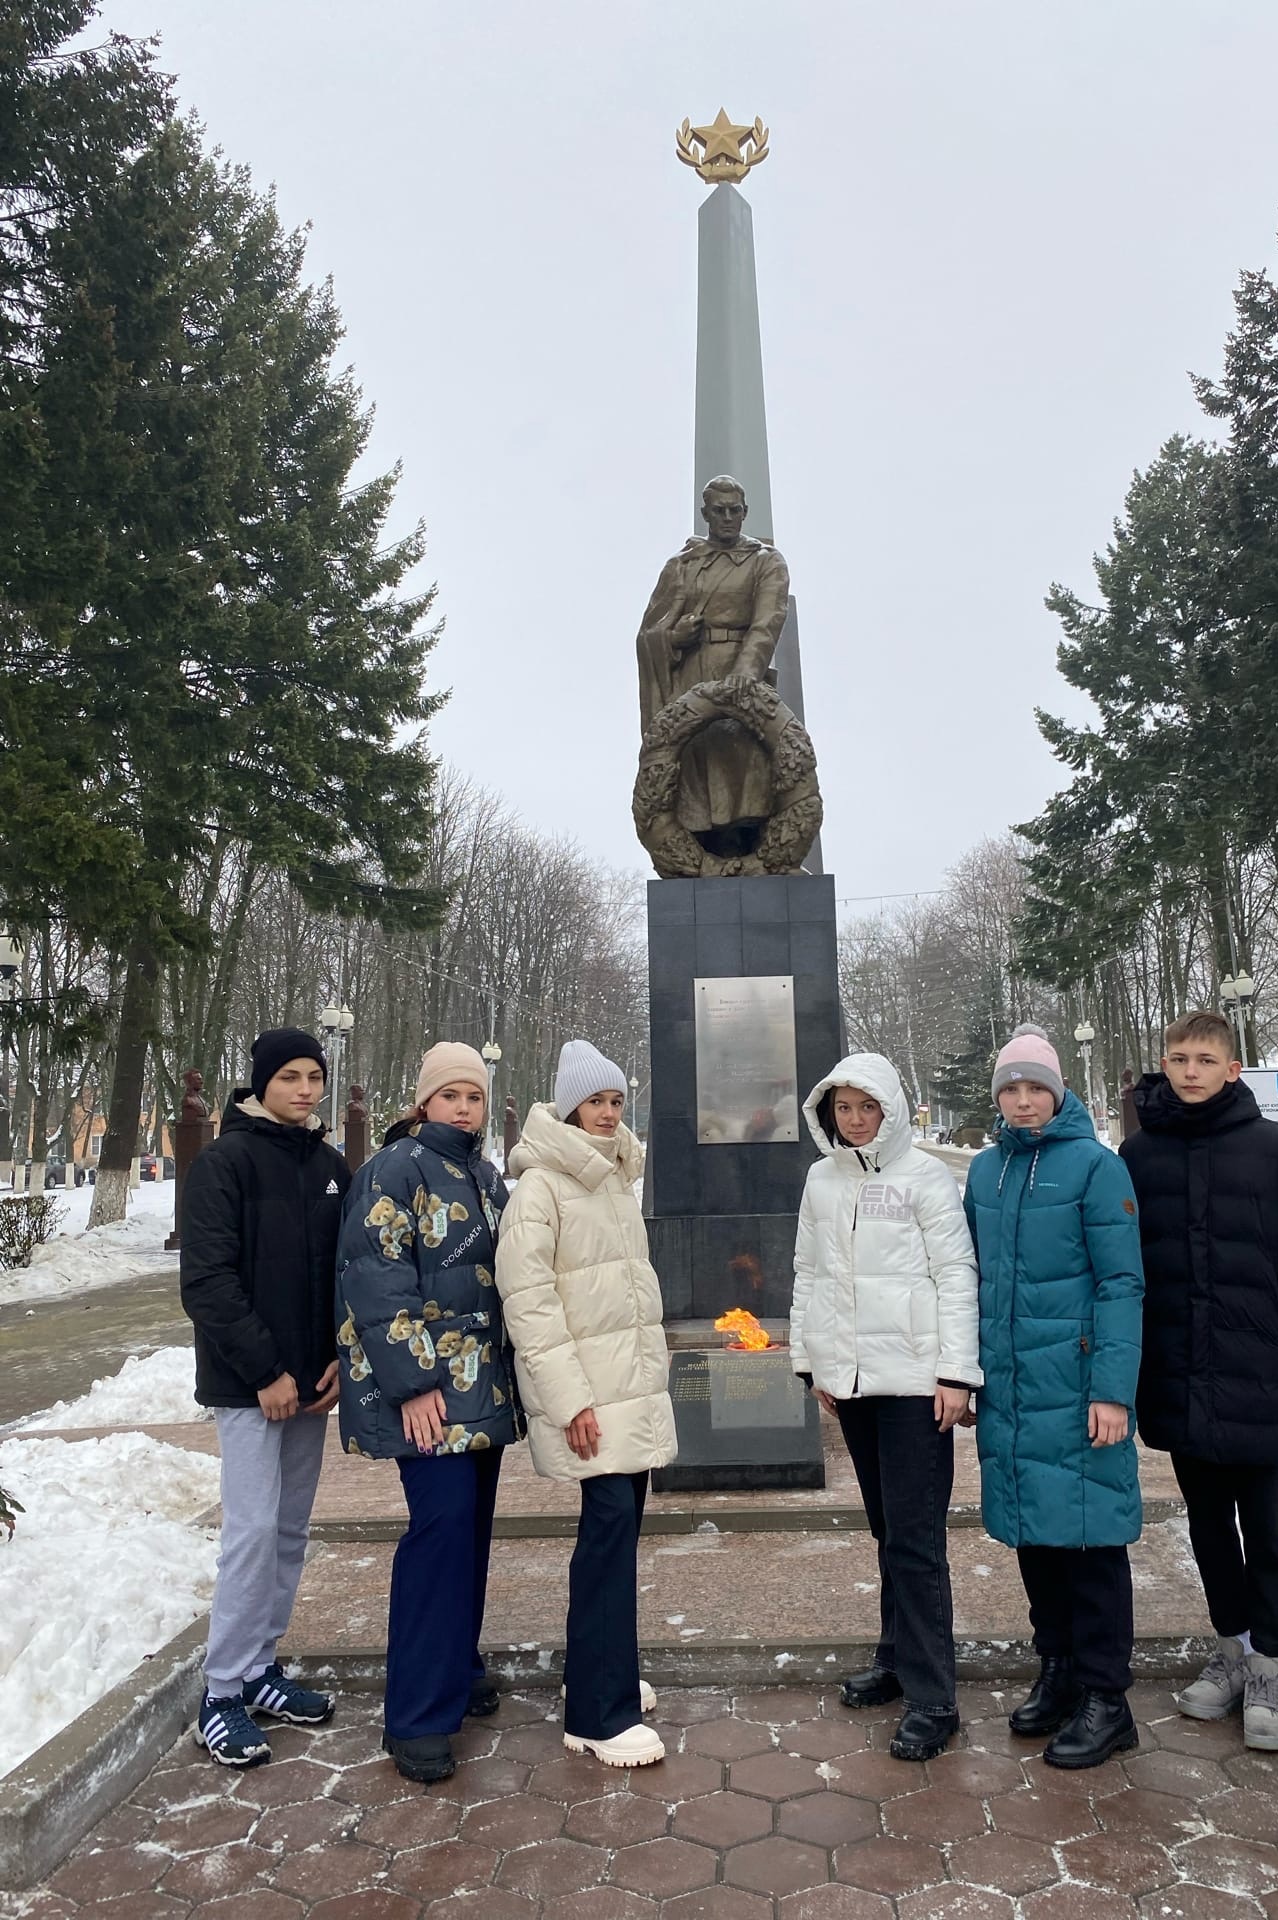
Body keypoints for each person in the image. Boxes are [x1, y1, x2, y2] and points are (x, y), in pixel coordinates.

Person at [1120, 1011, 1278, 1751]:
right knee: (1208, 1529)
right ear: (1165, 1063)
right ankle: (1230, 1648)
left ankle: (1271, 1665)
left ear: (1234, 1068)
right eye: (1179, 1057)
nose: (1190, 1070)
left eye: (1205, 1058)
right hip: (1181, 1378)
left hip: (1260, 1380)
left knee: (1268, 1532)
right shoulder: (1138, 1155)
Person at [335, 1042, 520, 1783]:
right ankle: (415, 1715)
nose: (464, 1108)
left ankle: (457, 1663)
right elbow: (377, 1280)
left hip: (483, 1385)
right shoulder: (396, 1170)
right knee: (438, 1535)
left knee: (468, 1536)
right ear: (423, 1102)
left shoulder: (483, 1176)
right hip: (433, 1390)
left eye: (473, 1096)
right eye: (450, 1096)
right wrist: (413, 1383)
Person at [964, 1024, 1145, 1770]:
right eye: (1012, 1087)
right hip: (1011, 1388)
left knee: (1093, 1540)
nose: (1024, 1099)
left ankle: (1109, 1698)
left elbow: (1122, 1283)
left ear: (1059, 1091)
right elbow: (971, 1278)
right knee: (1037, 1538)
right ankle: (1061, 1671)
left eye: (1037, 1086)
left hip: (1075, 1390)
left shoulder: (1097, 1169)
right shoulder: (984, 1173)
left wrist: (1112, 1391)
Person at [791, 1053, 981, 1762]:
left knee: (917, 1541)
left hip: (915, 1385)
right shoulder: (822, 1180)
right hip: (855, 1386)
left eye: (866, 1107)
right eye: (842, 1108)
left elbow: (958, 1275)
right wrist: (813, 1361)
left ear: (891, 1108)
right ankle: (897, 1660)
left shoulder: (926, 1178)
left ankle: (935, 1698)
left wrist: (957, 1375)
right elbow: (808, 1271)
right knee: (888, 1531)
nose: (855, 1120)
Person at [496, 1040, 676, 1768]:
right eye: (596, 1102)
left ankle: (600, 1672)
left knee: (618, 1538)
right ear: (568, 1105)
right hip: (591, 1400)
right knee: (605, 1544)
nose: (608, 1114)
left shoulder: (607, 1178)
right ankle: (597, 1714)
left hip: (627, 1390)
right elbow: (530, 1303)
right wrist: (569, 1399)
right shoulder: (542, 1188)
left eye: (615, 1103)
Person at [181, 1027, 349, 1769]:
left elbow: (349, 1273)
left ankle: (259, 1670)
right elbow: (208, 1283)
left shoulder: (331, 1165)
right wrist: (265, 1373)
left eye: (315, 1075)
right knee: (250, 1534)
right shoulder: (224, 1163)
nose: (306, 1089)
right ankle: (219, 1693)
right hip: (251, 1388)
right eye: (290, 1076)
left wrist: (339, 1357)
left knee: (287, 1531)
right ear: (260, 1083)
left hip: (311, 1386)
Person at [635, 474, 791, 859]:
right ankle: (702, 849)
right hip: (690, 677)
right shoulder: (683, 566)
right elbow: (648, 632)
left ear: (745, 512)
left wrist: (745, 673)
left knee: (744, 760)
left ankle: (751, 845)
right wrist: (672, 638)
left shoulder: (765, 562)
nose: (727, 517)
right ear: (705, 514)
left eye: (734, 510)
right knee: (698, 768)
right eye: (718, 511)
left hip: (740, 673)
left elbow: (768, 621)